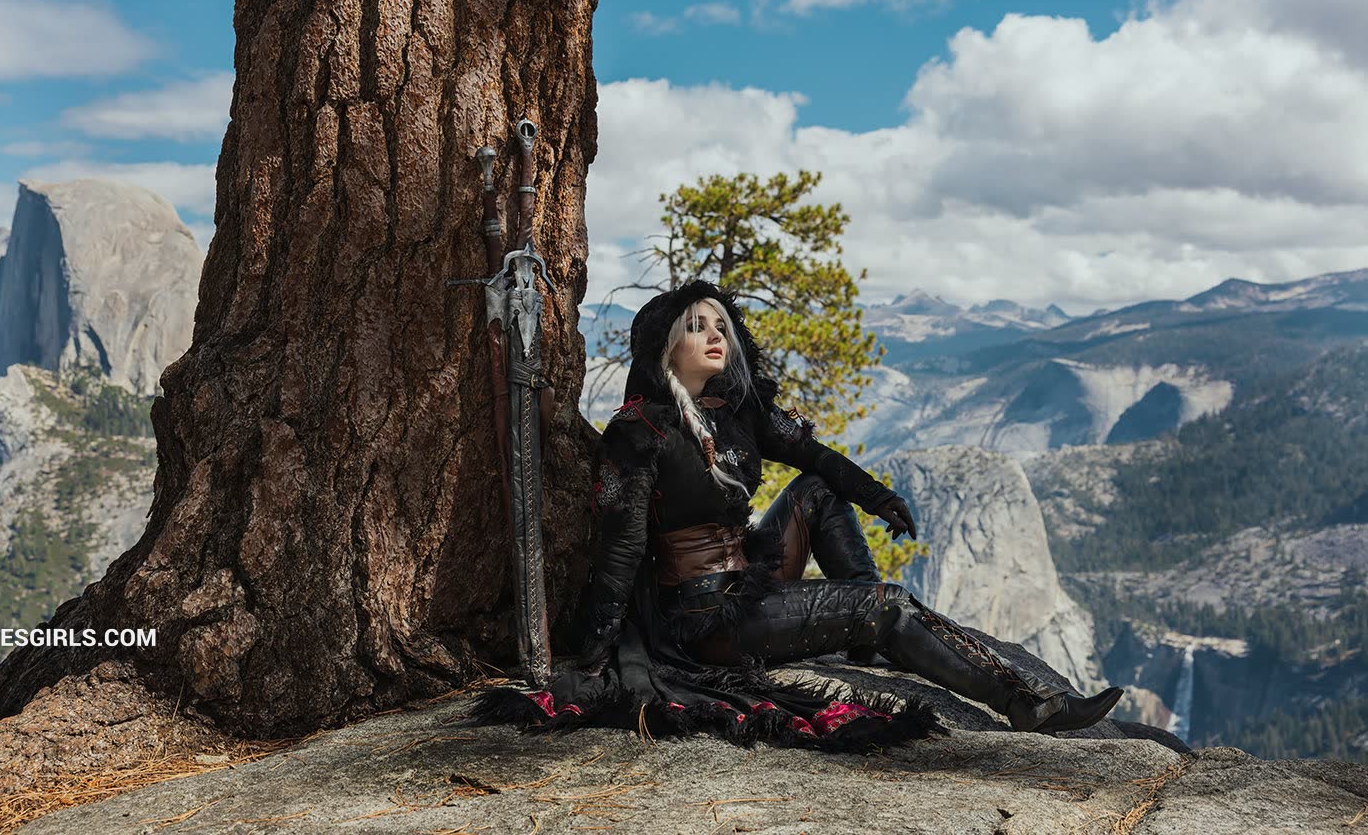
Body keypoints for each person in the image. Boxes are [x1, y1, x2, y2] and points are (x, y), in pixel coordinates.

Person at [461, 279, 1123, 751]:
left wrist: (877, 497)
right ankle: (1028, 704)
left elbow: (816, 458)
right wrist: (596, 653)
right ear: (665, 346)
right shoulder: (640, 433)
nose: (715, 335)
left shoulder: (739, 414)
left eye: (721, 326)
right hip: (704, 617)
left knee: (818, 492)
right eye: (697, 326)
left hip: (749, 577)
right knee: (890, 604)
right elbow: (620, 547)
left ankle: (866, 633)